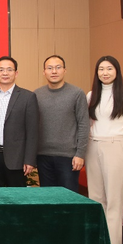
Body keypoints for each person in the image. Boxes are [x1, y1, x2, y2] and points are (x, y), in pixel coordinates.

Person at [86, 56, 123, 244]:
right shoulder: (91, 95)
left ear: (117, 71)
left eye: (109, 68)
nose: (105, 73)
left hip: (115, 146)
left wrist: (120, 146)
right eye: (101, 69)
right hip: (92, 146)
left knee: (114, 198)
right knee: (96, 197)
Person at [35, 55, 89, 192]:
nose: (54, 71)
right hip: (43, 156)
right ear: (44, 72)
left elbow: (84, 125)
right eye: (50, 68)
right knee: (47, 197)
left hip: (68, 157)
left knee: (68, 197)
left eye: (58, 67)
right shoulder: (37, 95)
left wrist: (80, 154)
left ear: (64, 70)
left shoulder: (77, 93)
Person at [0, 56, 39, 187]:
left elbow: (33, 131)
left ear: (16, 73)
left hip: (17, 158)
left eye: (9, 69)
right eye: (1, 70)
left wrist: (29, 160)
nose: (5, 73)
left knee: (16, 196)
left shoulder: (28, 97)